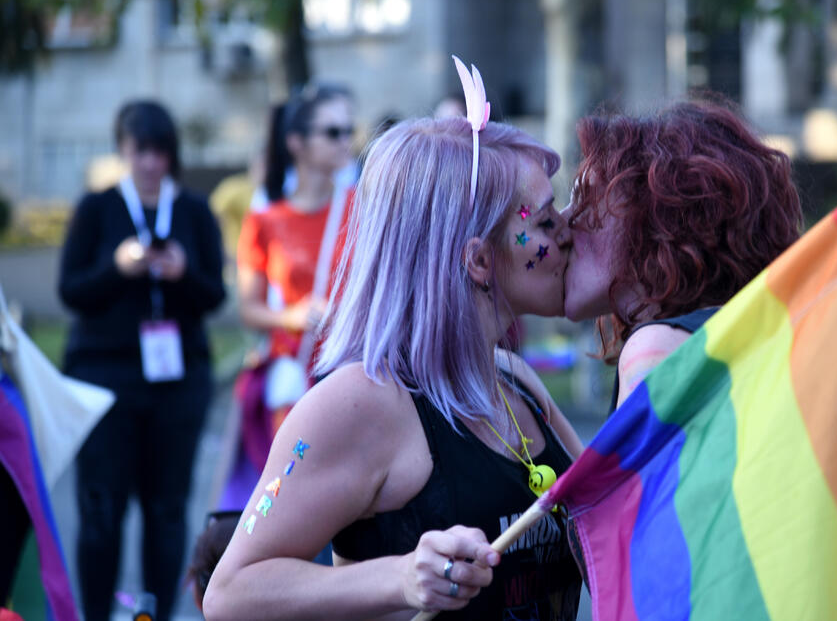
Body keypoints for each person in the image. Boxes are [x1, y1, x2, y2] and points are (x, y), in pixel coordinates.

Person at [204, 65, 583, 620]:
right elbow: (230, 593)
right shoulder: (360, 402)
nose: (567, 231)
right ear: (478, 259)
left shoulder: (515, 380)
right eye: (546, 220)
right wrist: (402, 578)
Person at [58, 99, 226, 620]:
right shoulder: (97, 208)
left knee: (167, 509)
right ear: (123, 151)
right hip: (104, 379)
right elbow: (72, 291)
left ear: (171, 154)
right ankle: (96, 612)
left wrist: (182, 273)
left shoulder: (194, 211)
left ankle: (151, 614)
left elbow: (215, 294)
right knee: (101, 509)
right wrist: (116, 267)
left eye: (159, 151)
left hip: (177, 382)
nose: (151, 162)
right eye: (140, 151)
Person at [561, 101, 802, 414]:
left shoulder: (654, 351)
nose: (563, 225)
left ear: (660, 215)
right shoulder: (743, 341)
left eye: (587, 201)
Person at [235, 83, 358, 437]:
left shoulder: (366, 209)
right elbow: (248, 310)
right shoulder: (265, 221)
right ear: (296, 143)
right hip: (296, 373)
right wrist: (289, 316)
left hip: (354, 370)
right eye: (333, 132)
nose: (345, 140)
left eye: (349, 130)